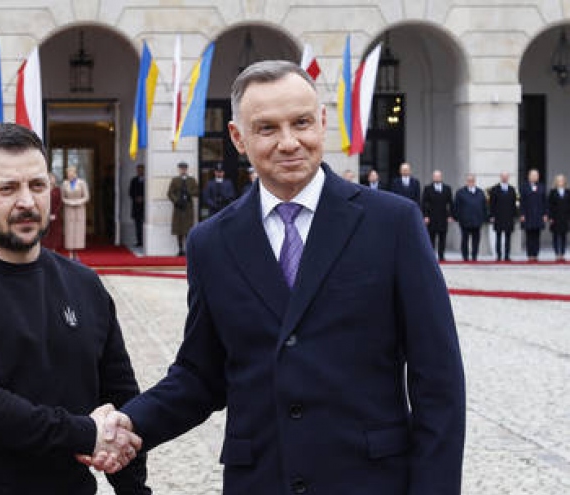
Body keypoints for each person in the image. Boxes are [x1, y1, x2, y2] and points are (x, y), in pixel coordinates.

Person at [91, 61, 465, 494]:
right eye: (267, 128)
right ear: (238, 138)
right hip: (260, 481)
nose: (289, 142)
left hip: (370, 481)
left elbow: (438, 380)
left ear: (322, 122)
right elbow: (200, 375)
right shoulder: (211, 243)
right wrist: (130, 423)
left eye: (301, 123)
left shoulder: (392, 223)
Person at [0, 122, 150, 494]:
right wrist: (83, 434)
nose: (27, 201)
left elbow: (121, 400)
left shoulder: (84, 284)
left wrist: (134, 491)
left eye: (37, 185)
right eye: (7, 188)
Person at [167, 162, 198, 256]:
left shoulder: (192, 180)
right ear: (179, 169)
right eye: (181, 169)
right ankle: (180, 249)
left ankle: (188, 249)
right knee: (179, 229)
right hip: (178, 208)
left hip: (188, 208)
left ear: (187, 169)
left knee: (188, 230)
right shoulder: (175, 180)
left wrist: (189, 193)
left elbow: (196, 191)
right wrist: (176, 200)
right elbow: (170, 193)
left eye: (184, 168)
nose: (183, 170)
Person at [455, 173, 488, 262]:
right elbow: (457, 206)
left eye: (472, 181)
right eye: (469, 181)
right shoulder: (460, 192)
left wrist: (485, 217)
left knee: (476, 240)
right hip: (465, 221)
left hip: (477, 221)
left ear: (474, 181)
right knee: (465, 240)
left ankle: (474, 256)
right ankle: (465, 257)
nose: (471, 182)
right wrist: (457, 217)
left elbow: (484, 206)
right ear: (466, 181)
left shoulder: (480, 192)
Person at [422, 169, 454, 261]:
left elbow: (450, 203)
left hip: (443, 217)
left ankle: (441, 255)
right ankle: (431, 256)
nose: (437, 178)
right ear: (433, 177)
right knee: (431, 238)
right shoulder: (428, 188)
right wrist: (425, 216)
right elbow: (424, 203)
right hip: (431, 217)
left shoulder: (447, 188)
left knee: (442, 237)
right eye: (435, 176)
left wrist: (450, 215)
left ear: (441, 177)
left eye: (438, 176)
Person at [61, 165, 89, 260]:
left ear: (75, 173)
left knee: (78, 230)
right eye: (68, 173)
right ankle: (70, 252)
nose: (69, 175)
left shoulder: (82, 183)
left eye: (71, 173)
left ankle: (76, 252)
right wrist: (69, 202)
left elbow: (86, 196)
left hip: (79, 209)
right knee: (69, 230)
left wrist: (77, 202)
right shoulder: (65, 183)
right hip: (69, 209)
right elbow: (62, 197)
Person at [519, 168, 547, 262]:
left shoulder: (542, 187)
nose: (534, 177)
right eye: (533, 175)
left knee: (537, 236)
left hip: (538, 215)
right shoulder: (524, 187)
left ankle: (535, 254)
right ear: (529, 176)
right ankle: (530, 255)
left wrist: (545, 214)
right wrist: (522, 214)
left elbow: (544, 202)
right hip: (528, 215)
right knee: (529, 236)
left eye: (536, 175)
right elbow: (522, 202)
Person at [488, 171, 518, 262]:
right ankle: (498, 255)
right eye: (503, 176)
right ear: (500, 177)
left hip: (509, 217)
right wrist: (492, 216)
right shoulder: (494, 189)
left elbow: (514, 204)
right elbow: (491, 204)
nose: (505, 178)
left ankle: (507, 256)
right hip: (498, 217)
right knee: (498, 237)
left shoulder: (512, 189)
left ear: (508, 178)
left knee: (508, 238)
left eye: (506, 176)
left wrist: (515, 216)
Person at [548, 174, 570, 262]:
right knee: (556, 236)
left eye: (562, 180)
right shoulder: (552, 192)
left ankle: (562, 254)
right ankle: (557, 254)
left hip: (565, 217)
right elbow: (549, 205)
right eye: (559, 180)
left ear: (564, 181)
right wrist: (550, 217)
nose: (560, 182)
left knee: (564, 236)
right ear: (556, 182)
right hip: (555, 217)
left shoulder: (568, 192)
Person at [41, 172, 63, 251]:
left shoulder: (57, 190)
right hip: (45, 214)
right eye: (49, 178)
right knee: (45, 232)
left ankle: (53, 248)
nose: (51, 180)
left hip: (55, 216)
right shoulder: (43, 189)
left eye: (52, 178)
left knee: (54, 232)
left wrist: (54, 213)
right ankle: (45, 249)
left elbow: (60, 202)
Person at [128, 163, 145, 247]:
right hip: (136, 206)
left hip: (145, 207)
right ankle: (139, 241)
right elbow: (130, 192)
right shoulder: (133, 180)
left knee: (144, 224)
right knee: (138, 225)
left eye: (141, 170)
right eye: (138, 170)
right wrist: (136, 198)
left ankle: (145, 241)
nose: (139, 171)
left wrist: (143, 198)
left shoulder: (147, 180)